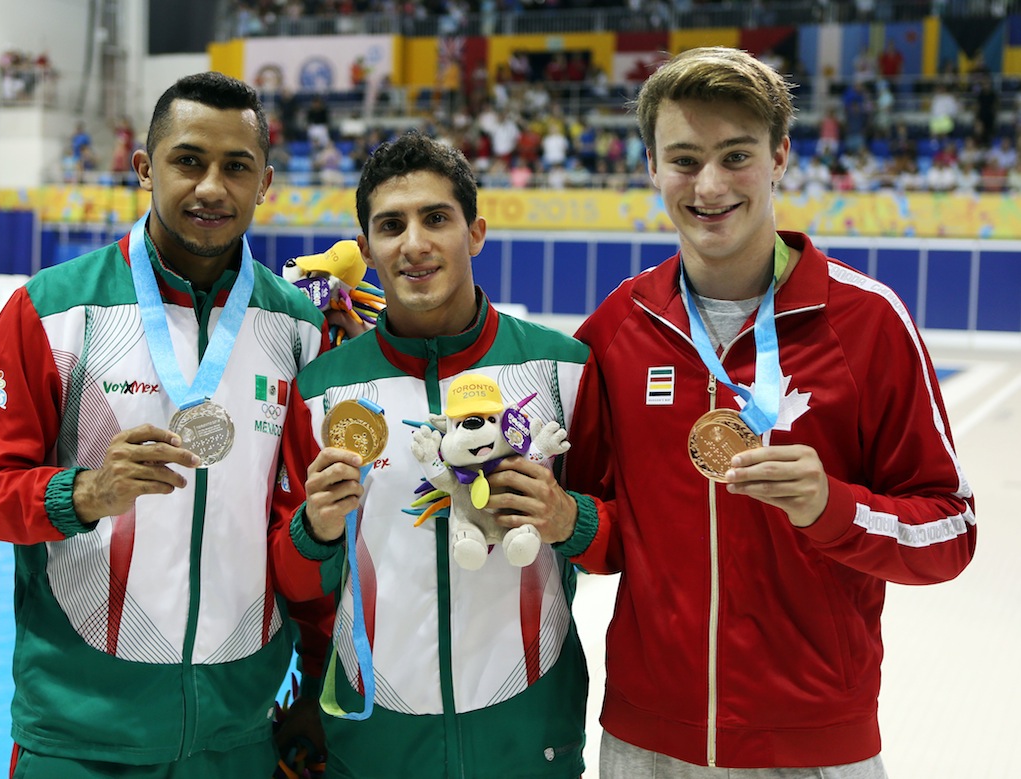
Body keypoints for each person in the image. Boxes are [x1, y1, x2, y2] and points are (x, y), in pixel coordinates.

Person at [565, 47, 976, 778]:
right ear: (651, 166)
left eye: (735, 155)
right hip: (647, 741)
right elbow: (605, 530)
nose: (710, 185)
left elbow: (949, 530)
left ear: (780, 155)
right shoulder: (619, 326)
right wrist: (564, 519)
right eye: (685, 160)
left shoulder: (867, 321)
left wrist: (832, 506)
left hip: (814, 742)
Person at [0, 71, 333, 777]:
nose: (212, 186)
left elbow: (312, 530)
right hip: (80, 735)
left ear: (265, 183)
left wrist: (315, 682)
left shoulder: (299, 331)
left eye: (236, 166)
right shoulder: (53, 312)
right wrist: (81, 493)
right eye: (188, 160)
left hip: (238, 735)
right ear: (145, 168)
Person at [268, 131, 596, 778]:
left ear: (474, 232)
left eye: (435, 218)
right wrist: (314, 530)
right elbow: (292, 576)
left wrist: (569, 518)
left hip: (529, 734)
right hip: (373, 739)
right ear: (365, 249)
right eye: (391, 225)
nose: (413, 243)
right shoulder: (321, 391)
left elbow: (617, 536)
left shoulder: (563, 372)